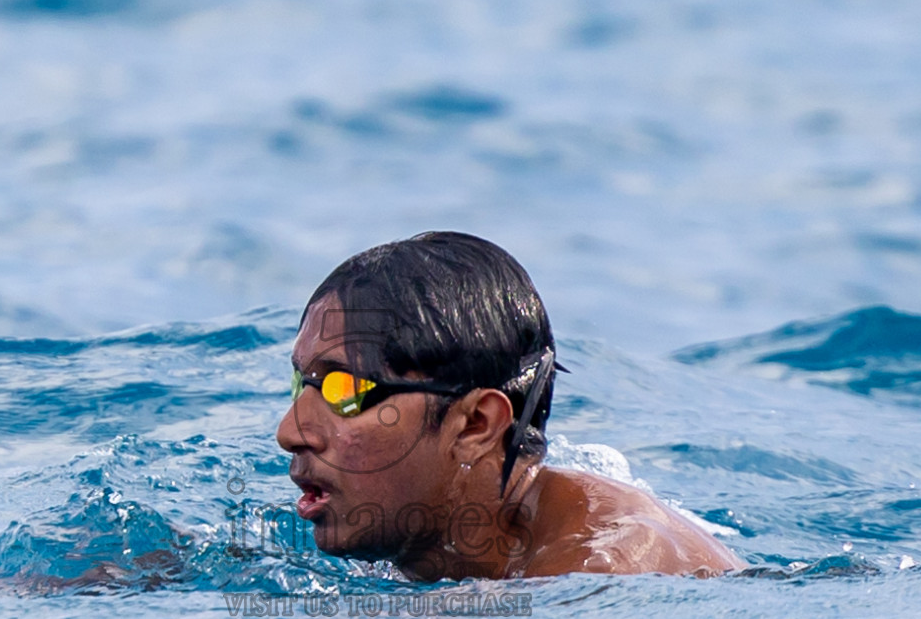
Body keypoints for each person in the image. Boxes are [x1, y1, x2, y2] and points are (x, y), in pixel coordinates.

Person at [275, 231, 741, 581]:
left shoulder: (598, 578)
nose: (290, 431)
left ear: (476, 424)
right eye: (302, 383)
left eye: (346, 389)